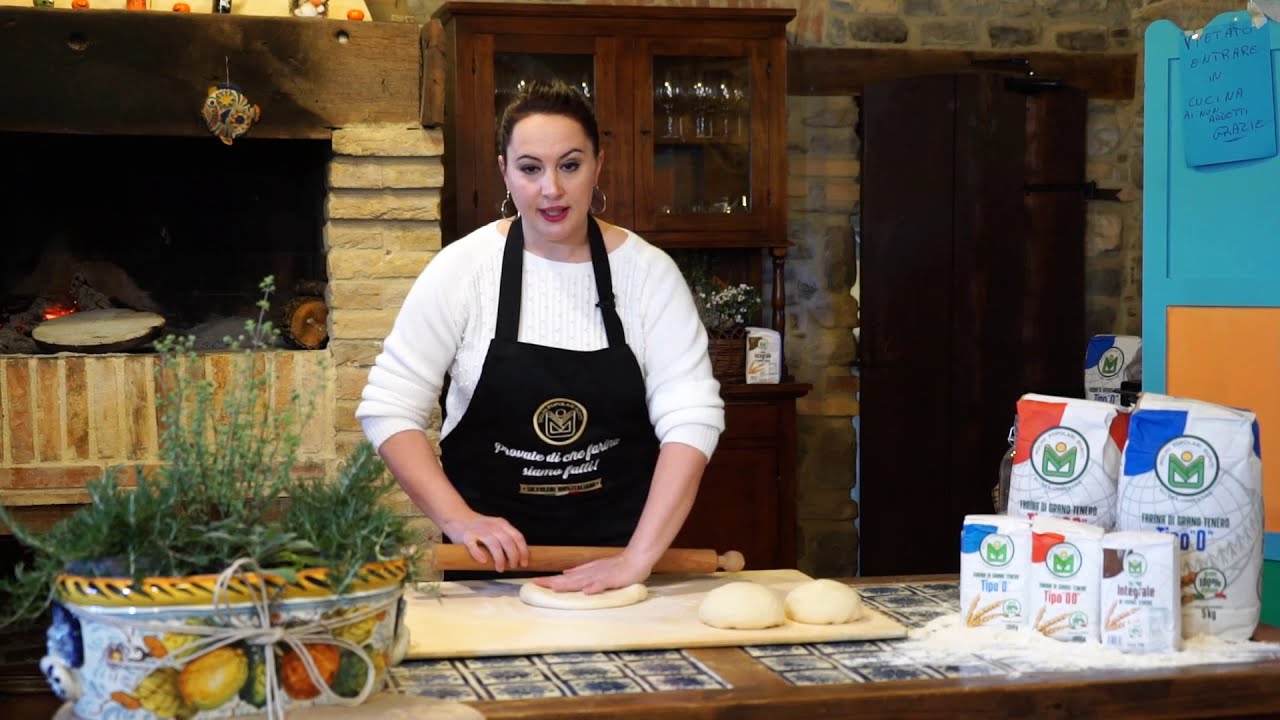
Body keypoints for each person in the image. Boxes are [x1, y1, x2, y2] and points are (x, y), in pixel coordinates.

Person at [356, 79, 725, 595]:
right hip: (488, 577)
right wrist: (461, 521)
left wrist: (638, 559)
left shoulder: (649, 274)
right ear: (505, 170)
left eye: (570, 165)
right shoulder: (464, 269)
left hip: (619, 574)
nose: (551, 188)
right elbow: (388, 407)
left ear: (599, 163)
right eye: (530, 168)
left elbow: (693, 419)